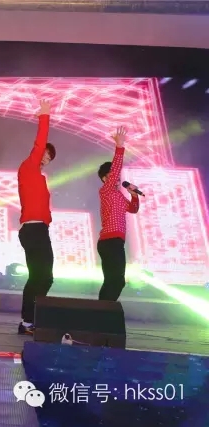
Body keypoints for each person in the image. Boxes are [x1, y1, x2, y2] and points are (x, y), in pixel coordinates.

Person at [17, 100, 56, 335]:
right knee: (39, 276)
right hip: (32, 229)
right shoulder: (28, 167)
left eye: (50, 158)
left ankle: (31, 319)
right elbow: (39, 142)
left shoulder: (40, 177)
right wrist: (44, 117)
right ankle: (27, 321)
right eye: (45, 154)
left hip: (40, 229)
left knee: (45, 277)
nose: (46, 158)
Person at [97, 126, 140, 301]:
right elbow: (115, 169)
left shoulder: (119, 196)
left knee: (115, 281)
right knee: (115, 280)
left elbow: (133, 209)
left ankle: (103, 310)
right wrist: (120, 147)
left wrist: (134, 195)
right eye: (111, 176)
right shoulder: (105, 191)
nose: (115, 179)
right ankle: (102, 310)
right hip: (110, 241)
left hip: (115, 242)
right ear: (104, 178)